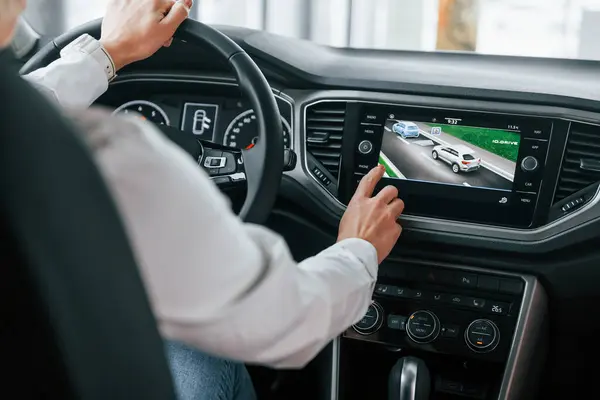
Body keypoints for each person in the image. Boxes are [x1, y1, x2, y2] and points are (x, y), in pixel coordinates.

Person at [0, 0, 405, 399]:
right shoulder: (114, 161)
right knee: (202, 336)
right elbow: (281, 321)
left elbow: (36, 99)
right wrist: (358, 249)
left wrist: (109, 51)